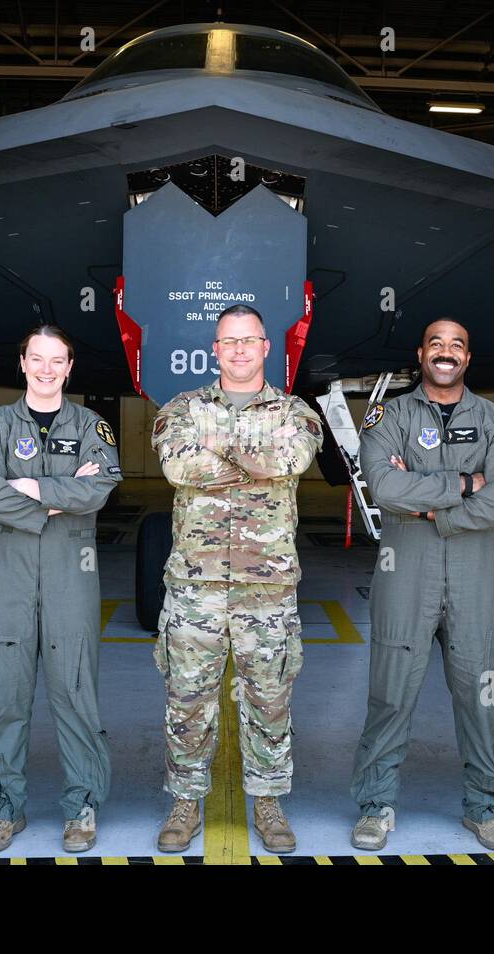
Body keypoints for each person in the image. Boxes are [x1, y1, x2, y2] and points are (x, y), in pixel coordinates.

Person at [349, 318, 494, 851]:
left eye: (457, 345)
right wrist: (463, 482)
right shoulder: (391, 415)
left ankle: (485, 806)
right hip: (405, 570)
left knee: (480, 694)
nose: (446, 353)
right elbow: (384, 484)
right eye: (437, 344)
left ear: (468, 358)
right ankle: (376, 804)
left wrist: (436, 510)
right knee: (390, 692)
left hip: (475, 570)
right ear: (422, 354)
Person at [150, 304, 323, 854]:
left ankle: (269, 804)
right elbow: (177, 465)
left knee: (269, 699)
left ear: (267, 347)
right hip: (195, 586)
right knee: (187, 698)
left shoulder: (297, 412)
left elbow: (292, 458)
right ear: (216, 349)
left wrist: (215, 451)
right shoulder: (182, 408)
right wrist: (255, 457)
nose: (240, 350)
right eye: (230, 342)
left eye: (250, 341)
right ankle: (184, 802)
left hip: (266, 589)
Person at [0, 324, 122, 853]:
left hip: (69, 576)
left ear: (70, 366)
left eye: (58, 360)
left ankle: (82, 806)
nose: (47, 368)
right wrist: (62, 495)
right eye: (38, 358)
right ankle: (3, 809)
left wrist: (31, 487)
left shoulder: (93, 427)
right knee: (5, 696)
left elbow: (100, 488)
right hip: (5, 576)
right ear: (23, 362)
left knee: (75, 693)